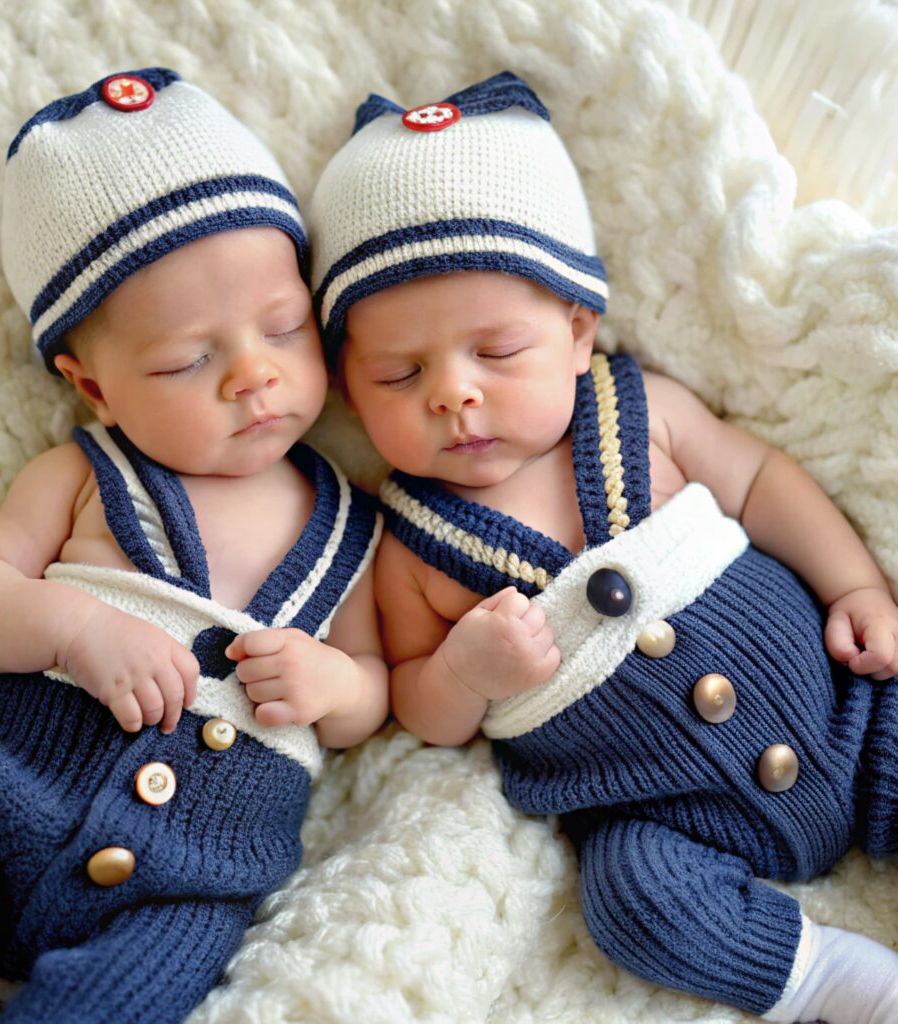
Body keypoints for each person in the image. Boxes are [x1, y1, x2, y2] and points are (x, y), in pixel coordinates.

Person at [308, 70, 898, 1023]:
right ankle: (828, 978)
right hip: (666, 821)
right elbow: (421, 704)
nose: (454, 393)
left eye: (496, 352)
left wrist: (856, 584)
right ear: (347, 387)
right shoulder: (408, 541)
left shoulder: (641, 411)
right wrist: (466, 669)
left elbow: (765, 483)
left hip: (847, 714)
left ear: (579, 330)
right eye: (399, 371)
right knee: (632, 904)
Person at [0, 68, 386, 1024]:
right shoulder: (83, 475)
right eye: (187, 359)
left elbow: (371, 689)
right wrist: (68, 627)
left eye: (284, 326)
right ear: (95, 387)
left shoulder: (351, 526)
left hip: (194, 881)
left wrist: (333, 685)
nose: (253, 375)